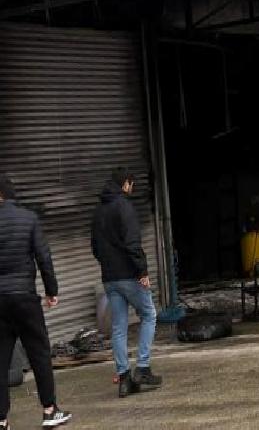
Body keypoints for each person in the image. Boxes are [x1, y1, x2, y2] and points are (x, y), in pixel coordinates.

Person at [0, 174, 71, 427]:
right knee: (39, 353)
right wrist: (52, 291)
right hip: (25, 298)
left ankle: (1, 420)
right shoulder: (29, 219)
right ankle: (50, 411)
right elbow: (44, 258)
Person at [91, 168, 161, 399]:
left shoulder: (99, 211)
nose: (132, 189)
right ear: (125, 185)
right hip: (129, 275)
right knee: (149, 315)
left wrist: (109, 266)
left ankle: (124, 379)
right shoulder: (124, 206)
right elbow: (132, 242)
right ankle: (142, 368)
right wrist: (141, 270)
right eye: (132, 185)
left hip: (109, 278)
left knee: (119, 328)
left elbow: (95, 248)